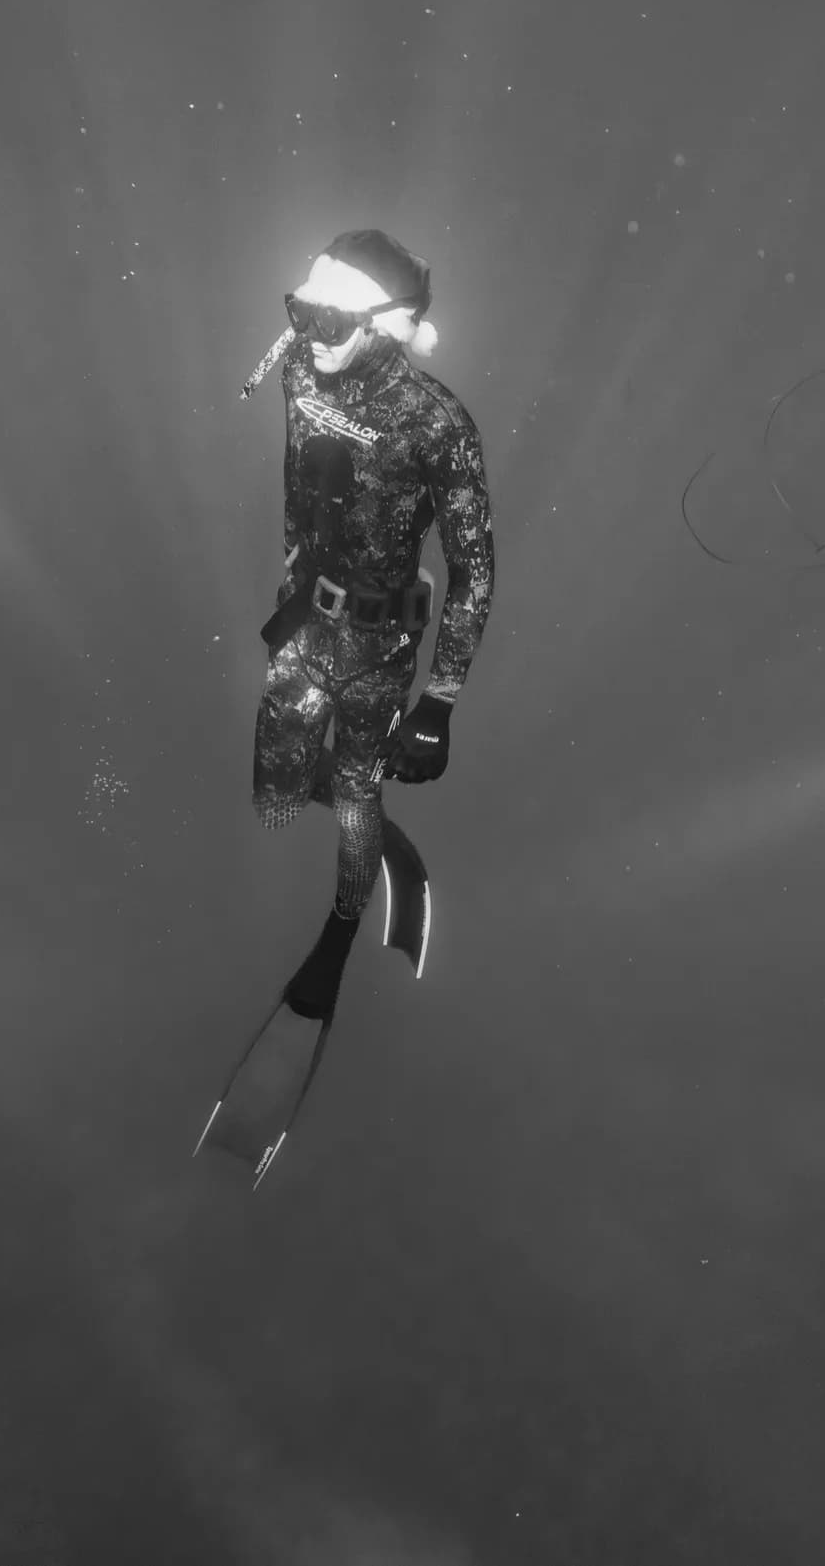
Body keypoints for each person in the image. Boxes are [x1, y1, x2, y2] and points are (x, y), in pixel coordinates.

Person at [199, 229, 495, 1182]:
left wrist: (440, 700)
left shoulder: (434, 420)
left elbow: (476, 575)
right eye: (300, 311)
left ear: (389, 325)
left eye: (330, 318)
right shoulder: (294, 362)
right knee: (275, 788)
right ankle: (348, 820)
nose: (309, 331)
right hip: (304, 626)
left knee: (357, 787)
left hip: (378, 649)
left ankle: (335, 935)